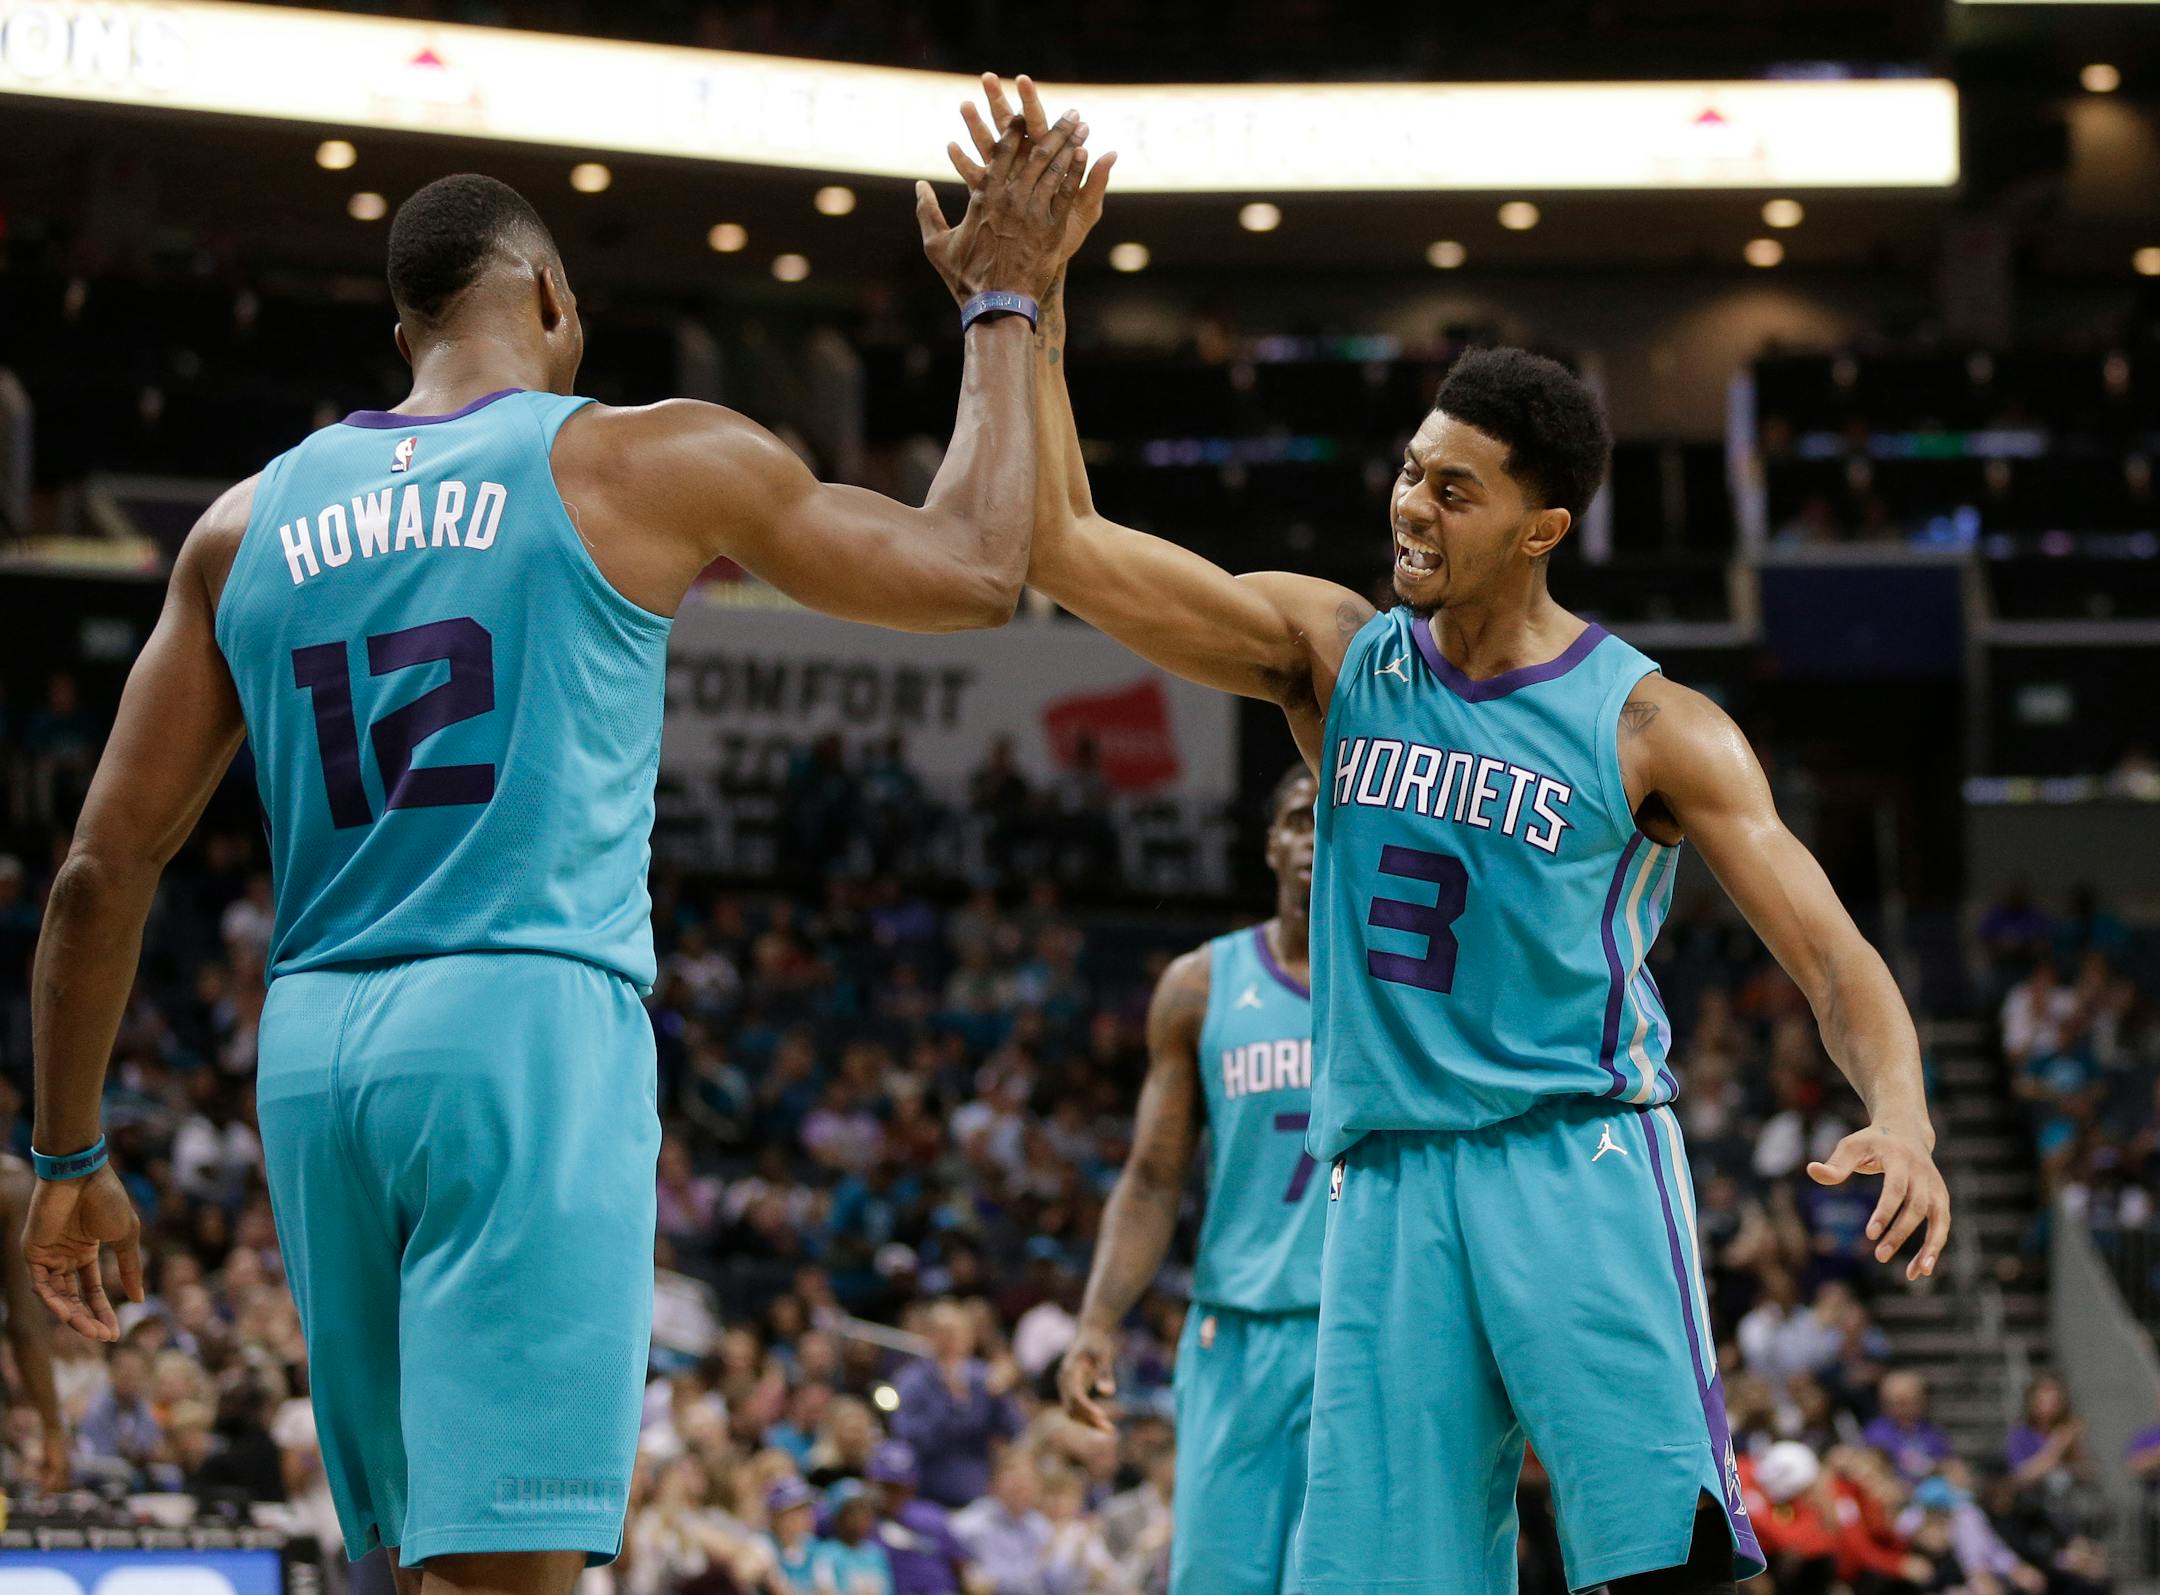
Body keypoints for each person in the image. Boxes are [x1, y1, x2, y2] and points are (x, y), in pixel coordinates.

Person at [22, 127, 1085, 1595]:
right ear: (547, 292)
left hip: (319, 1045)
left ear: (402, 333)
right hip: (520, 1019)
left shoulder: (241, 523)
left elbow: (95, 871)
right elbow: (976, 569)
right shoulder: (636, 456)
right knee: (510, 1575)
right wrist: (1005, 301)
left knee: (410, 1566)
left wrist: (67, 1153)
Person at [926, 72, 1949, 1595]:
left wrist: (1908, 1111)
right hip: (1388, 1177)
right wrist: (1030, 301)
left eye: (1453, 490)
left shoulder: (1650, 725)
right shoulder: (1335, 658)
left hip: (1577, 1158)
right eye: (1410, 467)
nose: (1410, 504)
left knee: (1668, 1565)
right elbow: (1065, 548)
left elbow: (1829, 950)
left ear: (1541, 526)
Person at [1056, 767, 1321, 1595]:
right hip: (1235, 1331)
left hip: (1362, 1328)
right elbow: (1151, 1177)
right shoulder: (1200, 986)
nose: (1318, 836)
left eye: (1336, 817)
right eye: (1300, 818)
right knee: (1215, 1579)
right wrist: (1098, 1319)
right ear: (1272, 841)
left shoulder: (1403, 982)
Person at [865, 1440, 977, 1595]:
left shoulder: (932, 1516)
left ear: (912, 1487)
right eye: (887, 1486)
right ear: (870, 1482)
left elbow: (961, 1565)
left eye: (902, 1488)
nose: (894, 1495)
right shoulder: (857, 1521)